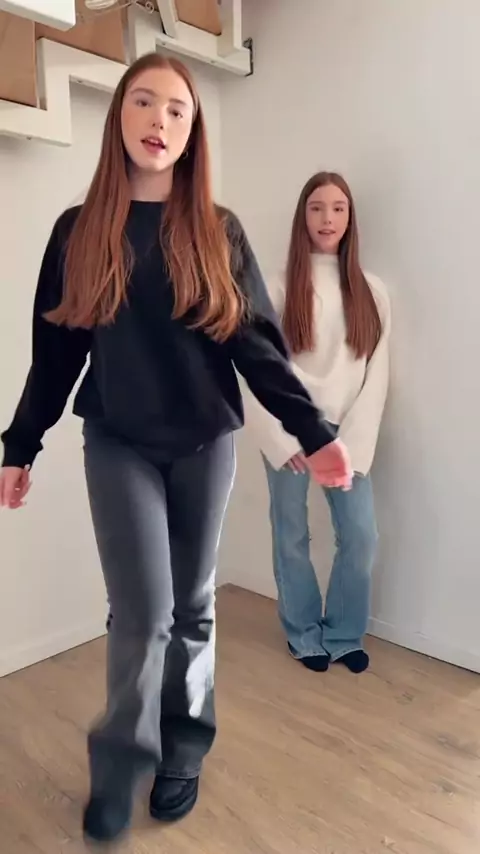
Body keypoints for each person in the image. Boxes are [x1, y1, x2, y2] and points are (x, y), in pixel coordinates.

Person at [0, 58, 352, 844]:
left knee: (192, 607)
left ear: (192, 134)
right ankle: (121, 765)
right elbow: (55, 355)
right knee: (141, 613)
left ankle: (183, 750)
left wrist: (315, 432)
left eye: (177, 111)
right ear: (119, 117)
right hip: (118, 441)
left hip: (204, 441)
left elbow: (258, 348)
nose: (159, 120)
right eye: (144, 102)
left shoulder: (217, 230)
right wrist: (19, 446)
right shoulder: (77, 230)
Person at [241, 172, 391, 676]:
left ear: (350, 219)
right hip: (291, 433)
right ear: (302, 216)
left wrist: (354, 442)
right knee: (291, 534)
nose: (328, 218)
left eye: (338, 208)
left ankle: (344, 634)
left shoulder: (372, 291)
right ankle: (303, 633)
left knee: (361, 536)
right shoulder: (277, 287)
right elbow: (254, 369)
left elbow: (377, 373)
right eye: (317, 208)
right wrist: (282, 440)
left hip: (347, 436)